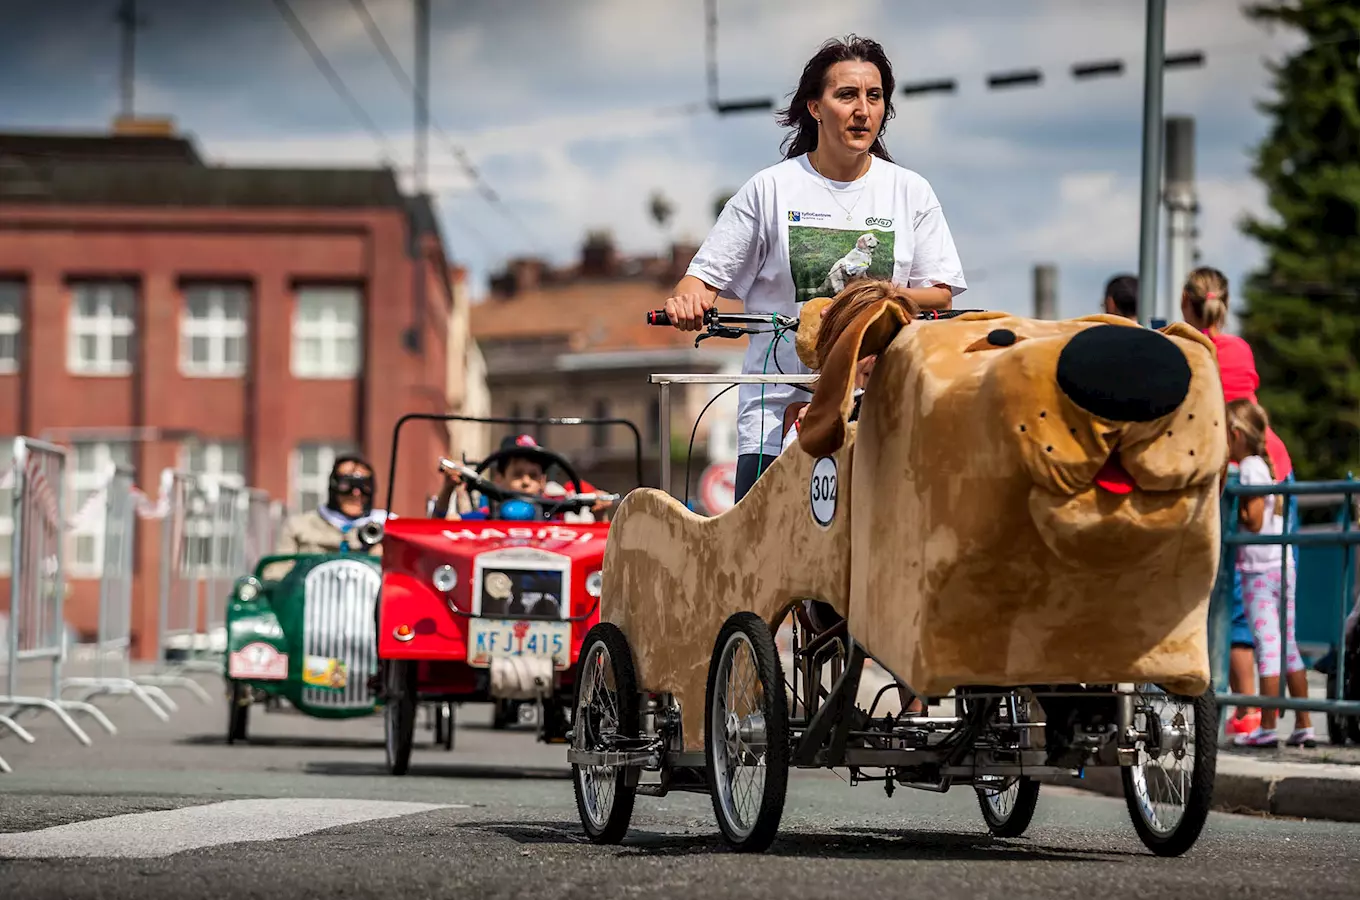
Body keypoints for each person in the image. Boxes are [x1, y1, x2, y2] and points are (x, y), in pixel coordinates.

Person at [663, 35, 966, 502]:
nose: (862, 109)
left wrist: (884, 297)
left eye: (874, 95)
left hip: (882, 410)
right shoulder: (770, 189)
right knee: (761, 567)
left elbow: (941, 293)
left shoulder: (911, 191)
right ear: (815, 107)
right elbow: (699, 280)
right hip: (776, 416)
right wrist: (690, 298)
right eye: (846, 95)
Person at [1226, 399, 1314, 749]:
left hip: (1257, 570)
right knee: (1288, 645)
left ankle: (1266, 726)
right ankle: (1304, 723)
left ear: (1236, 434)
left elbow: (1255, 519)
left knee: (1268, 645)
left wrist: (1230, 514)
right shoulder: (1266, 463)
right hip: (1280, 565)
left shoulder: (1248, 467)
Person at [433, 434, 614, 522]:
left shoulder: (557, 524)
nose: (526, 481)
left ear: (543, 483)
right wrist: (448, 488)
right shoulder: (483, 520)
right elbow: (440, 528)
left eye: (533, 476)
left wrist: (600, 515)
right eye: (517, 475)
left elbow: (597, 550)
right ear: (499, 478)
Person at [275, 454, 383, 555]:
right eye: (346, 484)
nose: (356, 493)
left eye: (364, 486)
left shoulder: (386, 527)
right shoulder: (299, 526)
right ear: (333, 487)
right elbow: (277, 572)